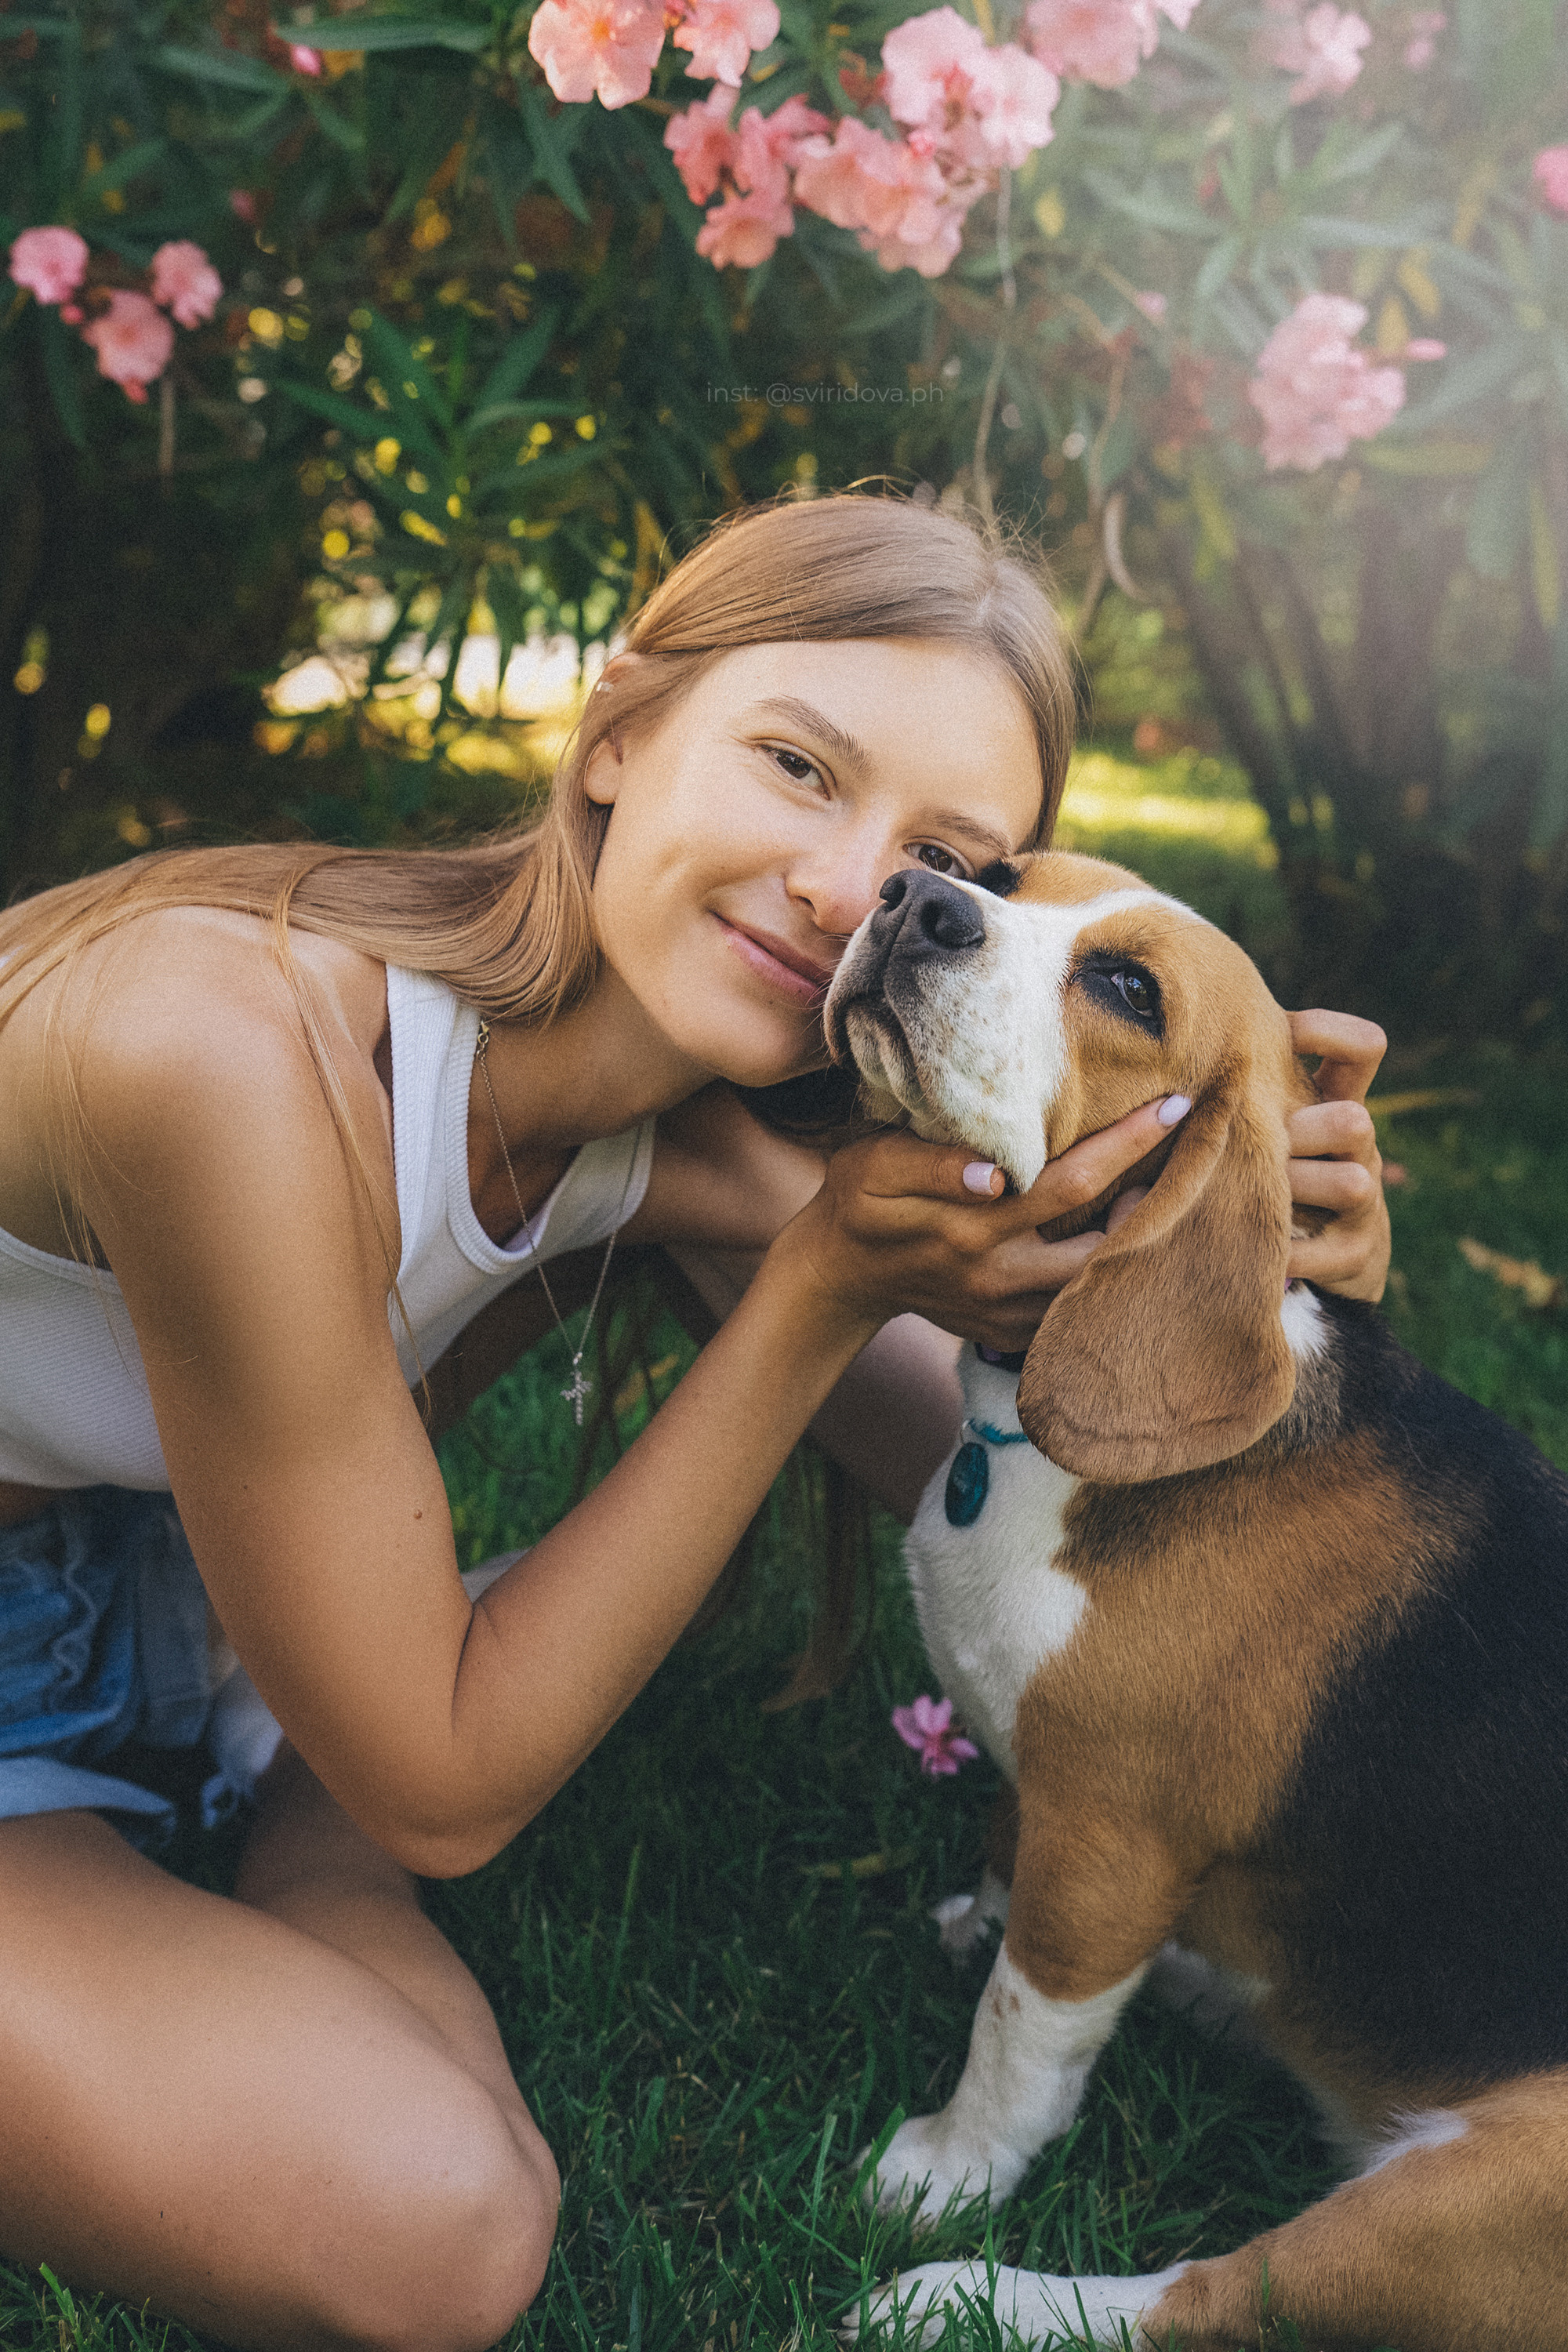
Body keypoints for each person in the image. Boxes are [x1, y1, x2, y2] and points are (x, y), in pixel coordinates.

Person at [0, 492, 1388, 2352]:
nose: (847, 885)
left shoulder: (700, 1141)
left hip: (176, 1599)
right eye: (799, 765)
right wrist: (821, 1284)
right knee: (442, 2232)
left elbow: (1038, 1483)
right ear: (617, 736)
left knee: (441, 2173)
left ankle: (274, 1785)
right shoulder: (218, 1052)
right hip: (162, 1705)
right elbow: (447, 1779)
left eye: (937, 854)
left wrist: (1249, 1270)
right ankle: (294, 1802)